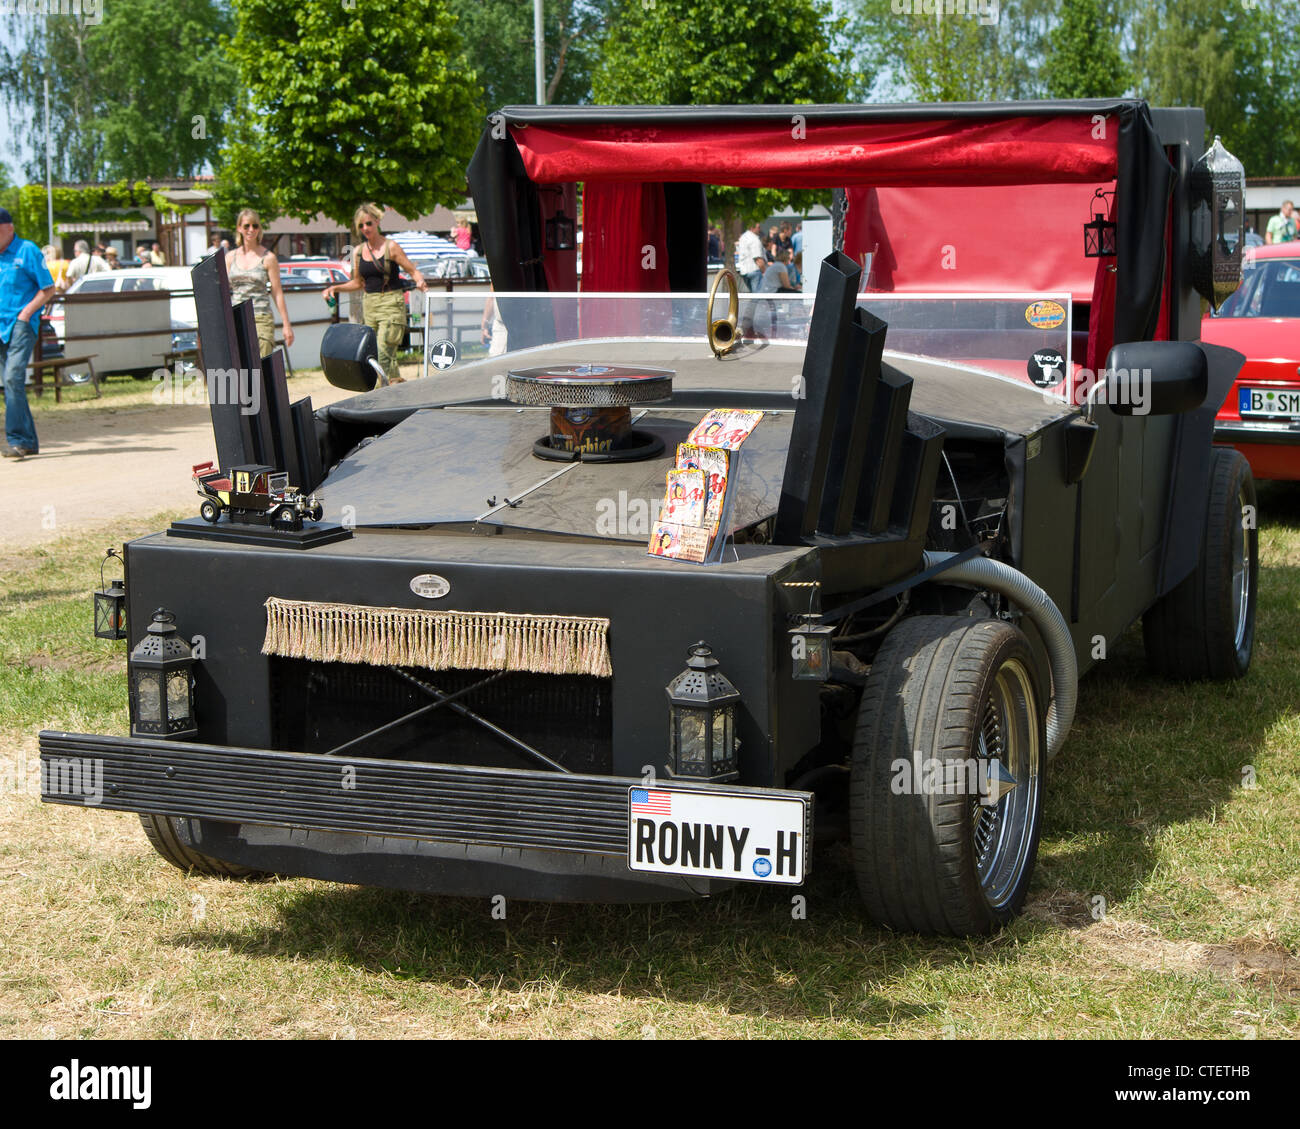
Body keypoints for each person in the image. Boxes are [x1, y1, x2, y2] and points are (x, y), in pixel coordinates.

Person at [323, 202, 427, 385]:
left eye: (368, 223)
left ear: (377, 222)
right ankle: (397, 389)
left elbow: (412, 270)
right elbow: (357, 283)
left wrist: (420, 281)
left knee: (384, 352)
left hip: (391, 303)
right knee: (373, 353)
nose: (365, 228)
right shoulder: (357, 252)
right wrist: (335, 288)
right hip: (369, 305)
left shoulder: (391, 247)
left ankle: (380, 395)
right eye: (361, 225)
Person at [0, 206, 55, 458]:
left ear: (9, 228)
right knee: (11, 385)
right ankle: (28, 441)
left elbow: (48, 288)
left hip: (21, 324)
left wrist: (26, 313)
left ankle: (17, 440)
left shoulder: (28, 250)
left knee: (12, 378)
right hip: (0, 327)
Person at [225, 209, 294, 360]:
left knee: (261, 368)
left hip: (261, 317)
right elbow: (223, 291)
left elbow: (277, 292)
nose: (251, 230)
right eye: (246, 226)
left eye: (255, 226)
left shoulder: (268, 258)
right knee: (241, 369)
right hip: (236, 318)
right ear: (239, 228)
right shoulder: (230, 257)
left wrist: (286, 324)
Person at [735, 221, 764, 292]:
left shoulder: (743, 237)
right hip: (754, 270)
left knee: (754, 296)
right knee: (757, 297)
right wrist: (764, 272)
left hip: (744, 271)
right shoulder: (754, 239)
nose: (760, 229)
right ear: (752, 228)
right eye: (758, 227)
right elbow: (758, 259)